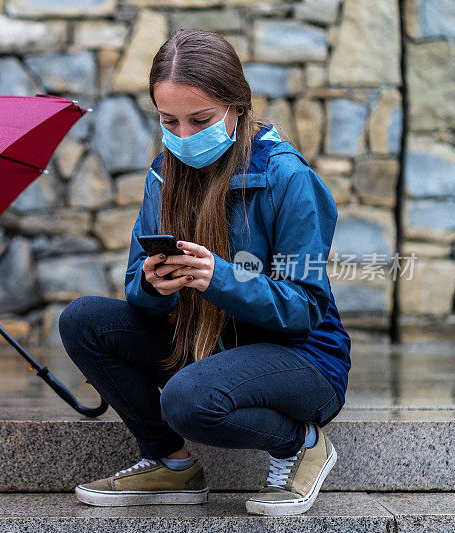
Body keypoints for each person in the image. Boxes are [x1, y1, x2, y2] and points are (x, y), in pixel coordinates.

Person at [58, 28, 351, 517]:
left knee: (188, 398)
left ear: (236, 107)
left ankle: (300, 442)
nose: (184, 137)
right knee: (83, 320)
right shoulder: (162, 175)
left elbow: (303, 306)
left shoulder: (288, 178)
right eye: (168, 121)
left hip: (300, 360)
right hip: (209, 347)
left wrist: (220, 278)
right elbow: (138, 288)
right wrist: (153, 286)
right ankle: (171, 465)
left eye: (201, 120)